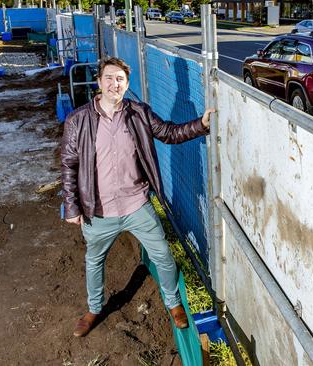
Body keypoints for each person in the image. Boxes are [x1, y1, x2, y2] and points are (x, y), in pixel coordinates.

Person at [60, 57, 215, 337]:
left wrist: (201, 124)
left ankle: (173, 302)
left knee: (164, 256)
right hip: (98, 211)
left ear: (126, 84)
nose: (114, 84)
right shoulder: (78, 119)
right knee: (94, 262)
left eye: (120, 79)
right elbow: (69, 164)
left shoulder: (138, 113)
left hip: (137, 205)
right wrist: (72, 206)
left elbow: (168, 133)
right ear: (99, 82)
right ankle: (95, 308)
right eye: (109, 78)